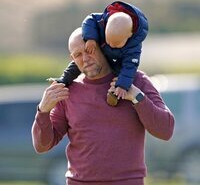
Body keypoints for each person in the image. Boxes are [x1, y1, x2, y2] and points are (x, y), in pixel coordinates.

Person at [32, 27, 174, 185]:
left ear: (103, 47)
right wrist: (42, 111)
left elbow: (166, 130)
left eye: (89, 50)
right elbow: (42, 145)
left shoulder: (136, 80)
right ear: (72, 58)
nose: (85, 59)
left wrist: (136, 96)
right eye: (78, 55)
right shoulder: (67, 91)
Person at [48, 1, 148, 105]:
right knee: (81, 62)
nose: (112, 45)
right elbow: (89, 20)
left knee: (121, 76)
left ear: (129, 35)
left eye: (117, 43)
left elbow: (130, 66)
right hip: (100, 47)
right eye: (109, 40)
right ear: (106, 27)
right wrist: (90, 38)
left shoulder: (134, 49)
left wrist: (123, 85)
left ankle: (115, 94)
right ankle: (63, 80)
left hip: (118, 61)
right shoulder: (102, 21)